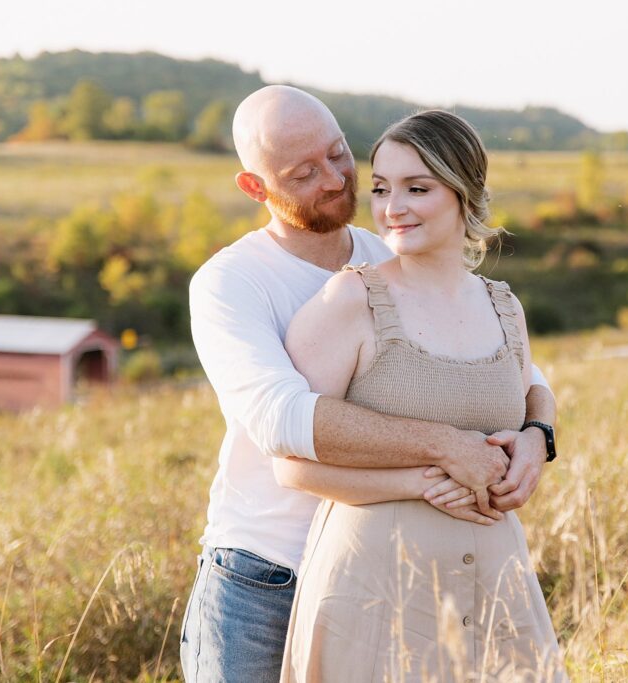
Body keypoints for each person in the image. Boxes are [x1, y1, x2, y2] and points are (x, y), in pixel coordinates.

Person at [180, 86, 558, 683]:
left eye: (338, 155)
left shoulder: (392, 252)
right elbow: (285, 421)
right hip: (265, 573)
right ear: (256, 188)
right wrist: (443, 448)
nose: (334, 180)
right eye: (304, 172)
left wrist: (539, 435)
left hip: (389, 566)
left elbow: (520, 374)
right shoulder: (231, 283)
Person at [277, 110, 566, 681]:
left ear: (464, 192)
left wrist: (539, 440)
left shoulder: (506, 307)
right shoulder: (351, 301)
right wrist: (416, 484)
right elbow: (290, 466)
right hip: (376, 589)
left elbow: (531, 397)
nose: (392, 207)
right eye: (382, 189)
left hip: (495, 583)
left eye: (417, 188)